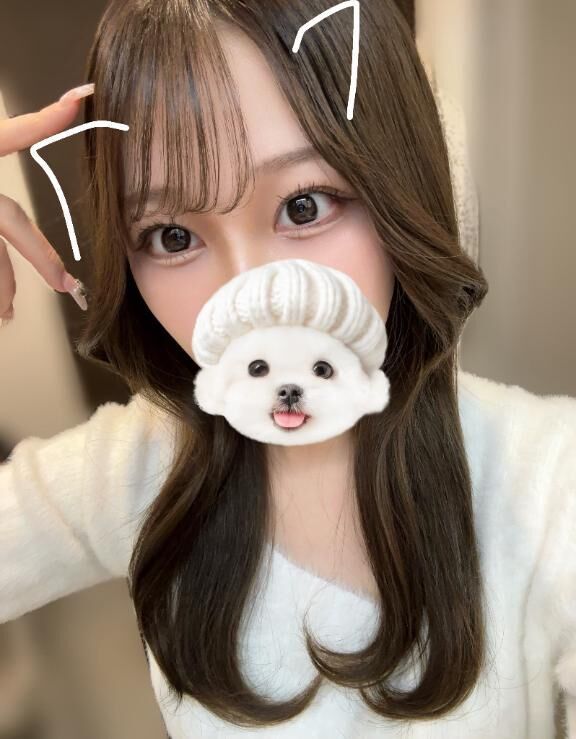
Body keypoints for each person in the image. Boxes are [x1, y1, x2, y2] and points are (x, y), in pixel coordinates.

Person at [1, 1, 575, 737]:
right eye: (172, 236)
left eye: (303, 206)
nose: (250, 295)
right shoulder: (134, 469)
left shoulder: (551, 485)